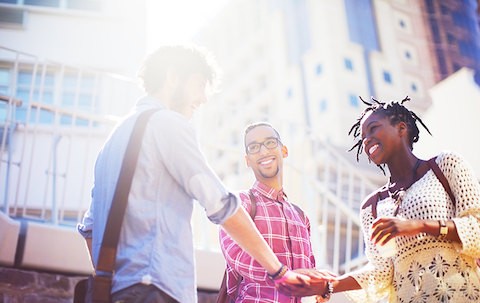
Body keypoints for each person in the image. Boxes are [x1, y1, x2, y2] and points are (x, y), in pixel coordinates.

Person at [76, 45, 309, 303]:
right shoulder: (169, 123)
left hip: (117, 292)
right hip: (157, 289)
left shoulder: (112, 141)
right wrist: (278, 272)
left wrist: (113, 281)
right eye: (199, 84)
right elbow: (220, 204)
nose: (204, 98)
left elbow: (90, 230)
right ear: (173, 77)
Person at [277, 96, 480, 302]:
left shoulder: (445, 165)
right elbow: (381, 271)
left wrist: (419, 226)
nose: (366, 140)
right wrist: (329, 285)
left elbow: (476, 228)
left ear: (401, 128)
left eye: (373, 129)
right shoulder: (371, 206)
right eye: (362, 137)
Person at [219, 122, 321, 302]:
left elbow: (310, 269)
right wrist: (284, 276)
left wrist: (320, 285)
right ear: (247, 160)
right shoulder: (239, 203)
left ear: (284, 150)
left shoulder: (301, 216)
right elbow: (237, 256)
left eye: (270, 143)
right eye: (254, 147)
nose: (264, 151)